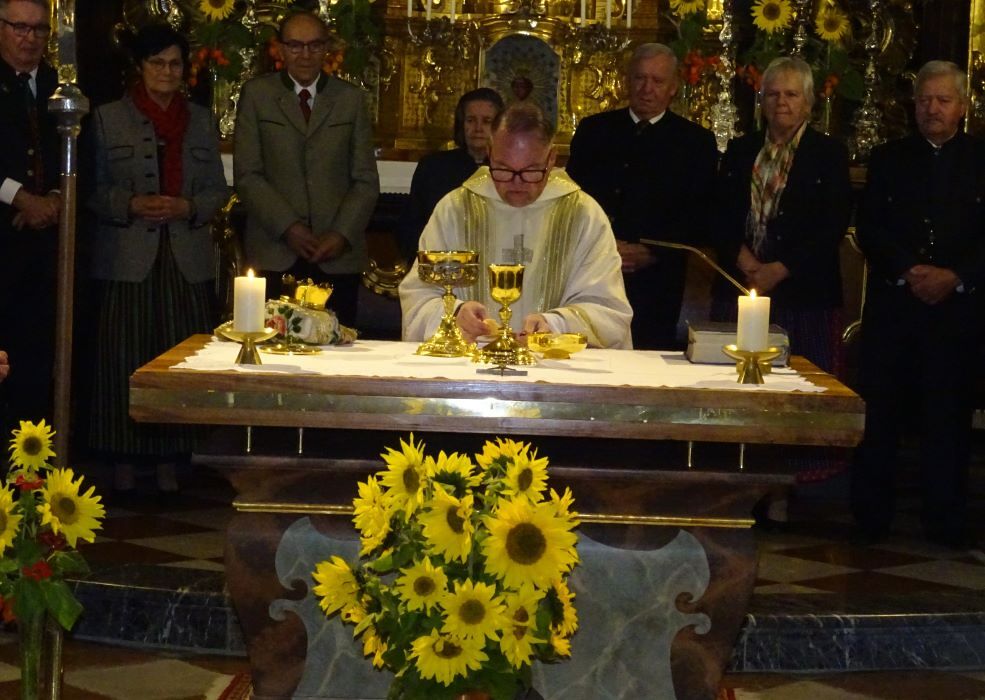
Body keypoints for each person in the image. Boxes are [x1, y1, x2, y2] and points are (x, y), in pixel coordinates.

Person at [87, 23, 229, 493]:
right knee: (124, 356)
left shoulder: (201, 121)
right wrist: (130, 203)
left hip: (185, 258)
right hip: (127, 259)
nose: (167, 72)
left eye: (175, 64)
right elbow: (91, 190)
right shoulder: (108, 118)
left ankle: (173, 459)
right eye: (157, 63)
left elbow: (217, 190)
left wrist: (188, 206)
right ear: (140, 67)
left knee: (178, 357)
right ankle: (123, 460)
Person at [853, 60, 985, 549]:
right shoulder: (888, 158)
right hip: (896, 307)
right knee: (880, 416)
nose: (932, 109)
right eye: (924, 100)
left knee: (948, 418)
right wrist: (909, 270)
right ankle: (871, 518)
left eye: (943, 100)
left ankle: (944, 521)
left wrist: (956, 276)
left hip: (958, 313)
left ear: (963, 107)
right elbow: (871, 228)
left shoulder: (980, 159)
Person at [400, 102, 632, 349]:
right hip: (471, 361)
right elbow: (419, 297)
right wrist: (455, 314)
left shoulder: (584, 214)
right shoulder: (455, 210)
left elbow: (608, 310)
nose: (516, 184)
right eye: (504, 169)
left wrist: (556, 324)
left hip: (553, 364)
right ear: (489, 153)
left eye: (531, 171)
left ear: (551, 158)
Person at [566, 42, 718, 350]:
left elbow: (699, 213)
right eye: (640, 78)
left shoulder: (695, 142)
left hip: (658, 277)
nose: (647, 89)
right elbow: (573, 200)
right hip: (594, 270)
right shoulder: (594, 131)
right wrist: (608, 246)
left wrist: (651, 251)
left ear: (673, 87)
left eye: (657, 81)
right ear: (627, 81)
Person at [234, 11, 379, 328]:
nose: (305, 54)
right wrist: (289, 227)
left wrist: (340, 234)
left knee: (336, 342)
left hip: (336, 254)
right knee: (272, 344)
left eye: (314, 45)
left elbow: (365, 180)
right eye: (296, 46)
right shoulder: (258, 95)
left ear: (326, 48)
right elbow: (248, 175)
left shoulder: (350, 99)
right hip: (275, 249)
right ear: (280, 49)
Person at [713, 56, 851, 373]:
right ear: (762, 101)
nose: (781, 102)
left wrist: (780, 269)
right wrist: (746, 262)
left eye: (791, 94)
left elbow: (832, 223)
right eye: (773, 94)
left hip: (806, 296)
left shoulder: (829, 155)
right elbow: (718, 213)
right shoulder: (740, 150)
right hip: (740, 286)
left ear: (808, 103)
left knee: (806, 384)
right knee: (729, 379)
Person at [0, 0, 61, 433]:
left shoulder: (61, 87)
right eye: (20, 27)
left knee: (38, 360)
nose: (30, 38)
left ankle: (32, 459)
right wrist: (20, 197)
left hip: (47, 250)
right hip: (2, 238)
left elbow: (83, 154)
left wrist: (55, 199)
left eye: (39, 29)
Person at [397, 87, 505, 264]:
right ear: (461, 124)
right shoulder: (433, 167)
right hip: (441, 263)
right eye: (471, 120)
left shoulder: (510, 171)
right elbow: (412, 225)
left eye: (487, 121)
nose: (478, 128)